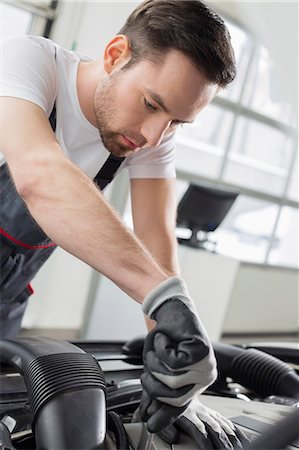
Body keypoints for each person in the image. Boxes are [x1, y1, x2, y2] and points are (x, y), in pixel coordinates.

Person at [1, 0, 247, 445]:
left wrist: (174, 364)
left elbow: (158, 245)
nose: (155, 135)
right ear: (116, 54)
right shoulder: (28, 63)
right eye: (153, 104)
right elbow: (40, 176)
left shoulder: (149, 135)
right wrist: (164, 300)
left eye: (177, 122)